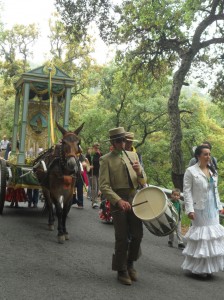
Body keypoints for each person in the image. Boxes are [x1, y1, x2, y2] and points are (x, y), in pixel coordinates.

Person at [99, 127, 147, 285]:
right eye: (119, 140)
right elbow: (104, 186)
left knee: (137, 234)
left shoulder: (133, 155)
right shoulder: (106, 159)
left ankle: (130, 263)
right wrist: (118, 201)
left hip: (135, 198)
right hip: (118, 200)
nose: (123, 143)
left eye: (124, 140)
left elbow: (143, 181)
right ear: (113, 142)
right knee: (122, 237)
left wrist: (139, 172)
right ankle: (121, 270)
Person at [182, 145, 224, 278]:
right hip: (199, 208)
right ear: (198, 156)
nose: (208, 156)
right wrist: (190, 209)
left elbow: (215, 190)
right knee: (202, 237)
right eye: (205, 154)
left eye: (209, 154)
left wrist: (220, 206)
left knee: (212, 237)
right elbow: (187, 192)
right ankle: (199, 268)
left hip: (212, 208)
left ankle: (209, 267)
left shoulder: (212, 171)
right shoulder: (191, 171)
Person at [86, 142, 102, 208]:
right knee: (94, 187)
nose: (97, 148)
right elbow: (86, 162)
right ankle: (94, 202)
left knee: (98, 187)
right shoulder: (89, 154)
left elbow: (102, 161)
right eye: (95, 147)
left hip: (98, 172)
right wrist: (89, 166)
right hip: (92, 173)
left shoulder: (99, 154)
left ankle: (95, 200)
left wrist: (99, 154)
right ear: (93, 147)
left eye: (98, 147)